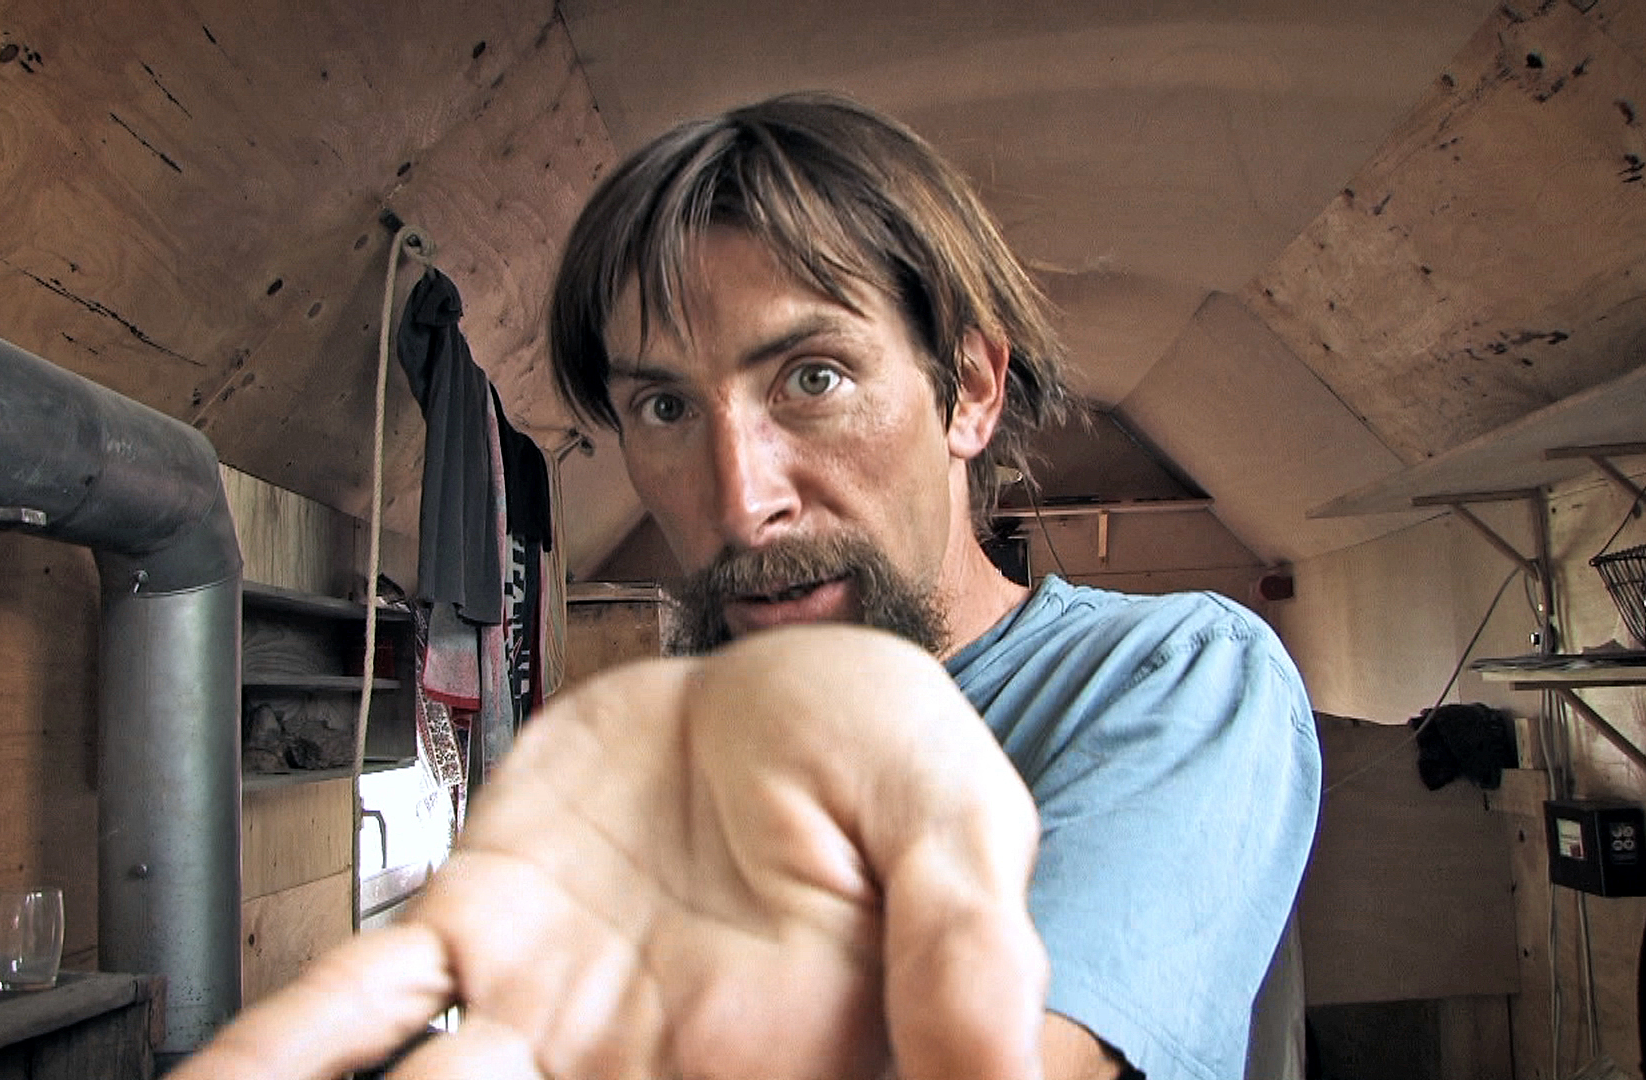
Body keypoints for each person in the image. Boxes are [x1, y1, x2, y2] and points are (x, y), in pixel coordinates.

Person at [176, 92, 1320, 1080]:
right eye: (665, 407)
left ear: (968, 388)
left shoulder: (1174, 677)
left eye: (812, 379)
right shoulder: (663, 767)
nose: (738, 503)